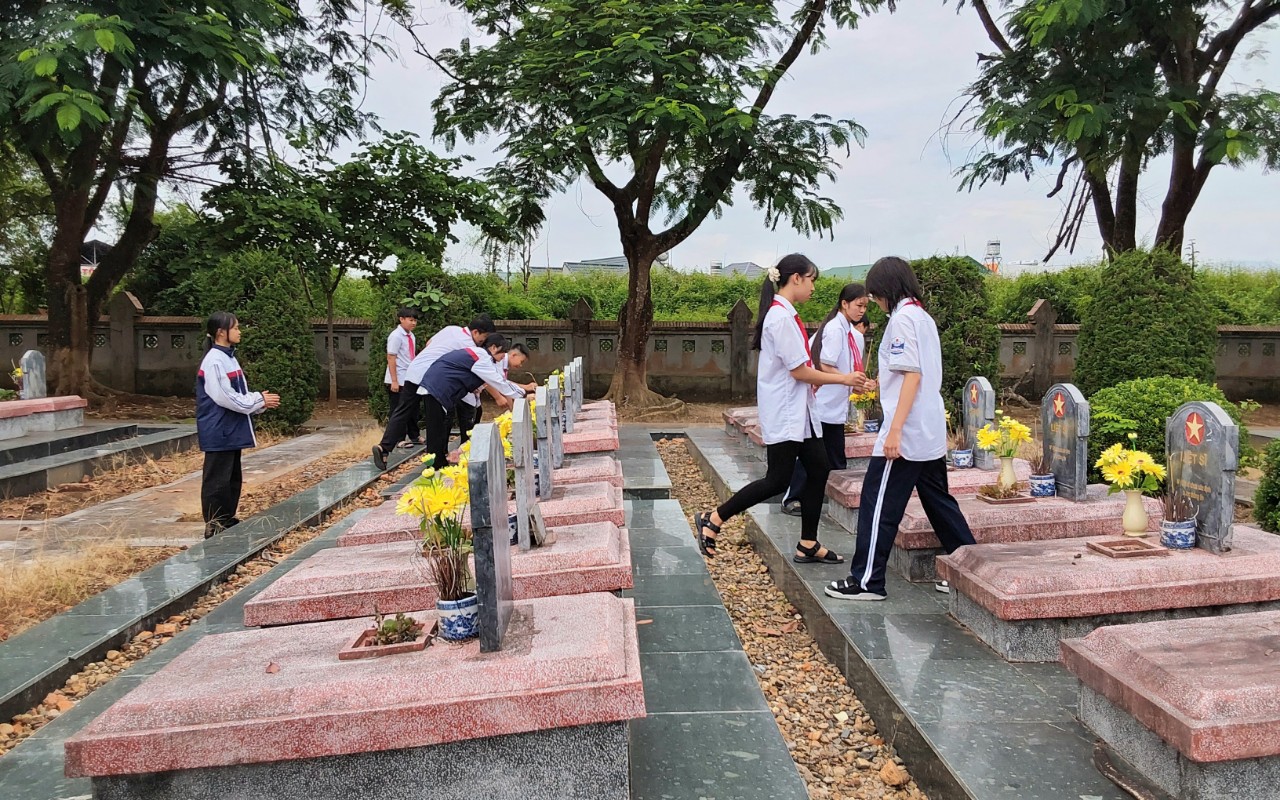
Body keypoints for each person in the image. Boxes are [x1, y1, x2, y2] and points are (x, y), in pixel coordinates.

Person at [696, 254, 872, 564]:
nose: (814, 288)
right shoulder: (780, 318)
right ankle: (714, 518)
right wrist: (844, 379)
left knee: (819, 468)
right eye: (812, 280)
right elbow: (799, 371)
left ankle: (808, 542)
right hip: (787, 412)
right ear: (796, 278)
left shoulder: (786, 315)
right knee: (777, 480)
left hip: (799, 413)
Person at [824, 257, 975, 600]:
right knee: (938, 501)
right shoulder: (921, 316)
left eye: (874, 295)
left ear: (886, 289)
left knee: (878, 502)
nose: (874, 302)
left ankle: (867, 581)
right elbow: (912, 372)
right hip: (926, 426)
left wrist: (894, 431)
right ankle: (967, 570)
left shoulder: (903, 319)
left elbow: (912, 375)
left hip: (906, 431)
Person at [781, 283, 871, 516]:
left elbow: (846, 368)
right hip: (822, 403)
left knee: (834, 458)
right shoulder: (835, 329)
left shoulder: (848, 332)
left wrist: (858, 383)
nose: (862, 310)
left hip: (833, 406)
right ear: (844, 304)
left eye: (865, 306)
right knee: (812, 457)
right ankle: (793, 497)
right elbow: (825, 364)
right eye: (859, 305)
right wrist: (847, 380)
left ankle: (822, 498)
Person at [371, 314, 497, 469]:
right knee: (440, 417)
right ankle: (437, 459)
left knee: (403, 410)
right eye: (483, 338)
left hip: (414, 370)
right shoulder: (469, 346)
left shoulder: (452, 329)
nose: (483, 342)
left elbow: (429, 343)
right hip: (431, 377)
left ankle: (384, 448)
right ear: (476, 332)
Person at [195, 312, 280, 538]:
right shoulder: (214, 360)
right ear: (221, 333)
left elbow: (239, 393)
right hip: (219, 429)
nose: (239, 332)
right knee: (217, 480)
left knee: (231, 478)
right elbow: (226, 397)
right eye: (235, 328)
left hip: (230, 428)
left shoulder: (229, 358)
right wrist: (258, 400)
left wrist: (259, 402)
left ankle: (227, 519)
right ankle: (215, 524)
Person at [413, 334, 526, 470]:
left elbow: (480, 379)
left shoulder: (480, 356)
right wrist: (523, 394)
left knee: (440, 429)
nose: (504, 356)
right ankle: (434, 468)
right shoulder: (482, 357)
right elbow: (499, 382)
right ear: (494, 348)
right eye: (503, 352)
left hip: (439, 389)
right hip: (437, 389)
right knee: (436, 431)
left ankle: (439, 463)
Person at [384, 307, 421, 448]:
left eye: (415, 320)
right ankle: (398, 439)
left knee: (412, 408)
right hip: (398, 378)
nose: (413, 323)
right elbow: (391, 357)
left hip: (409, 377)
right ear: (401, 319)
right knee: (398, 410)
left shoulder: (411, 336)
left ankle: (414, 435)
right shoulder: (396, 336)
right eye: (411, 320)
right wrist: (394, 380)